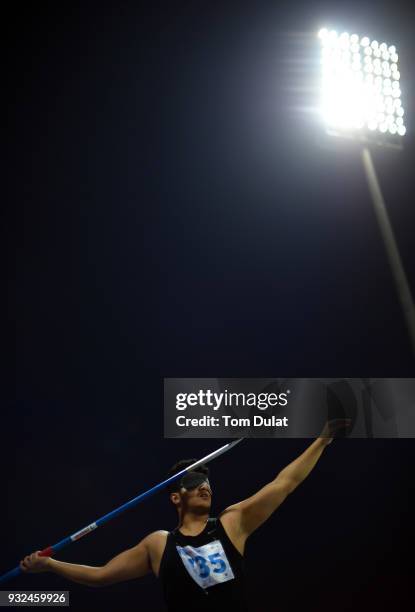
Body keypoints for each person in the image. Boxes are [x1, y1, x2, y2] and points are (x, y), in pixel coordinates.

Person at [21, 423, 347, 611]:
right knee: (18, 601)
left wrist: (323, 440)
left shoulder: (233, 523)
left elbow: (284, 483)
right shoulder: (158, 544)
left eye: (206, 481)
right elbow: (101, 575)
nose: (204, 486)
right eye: (194, 483)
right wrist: (49, 565)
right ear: (176, 497)